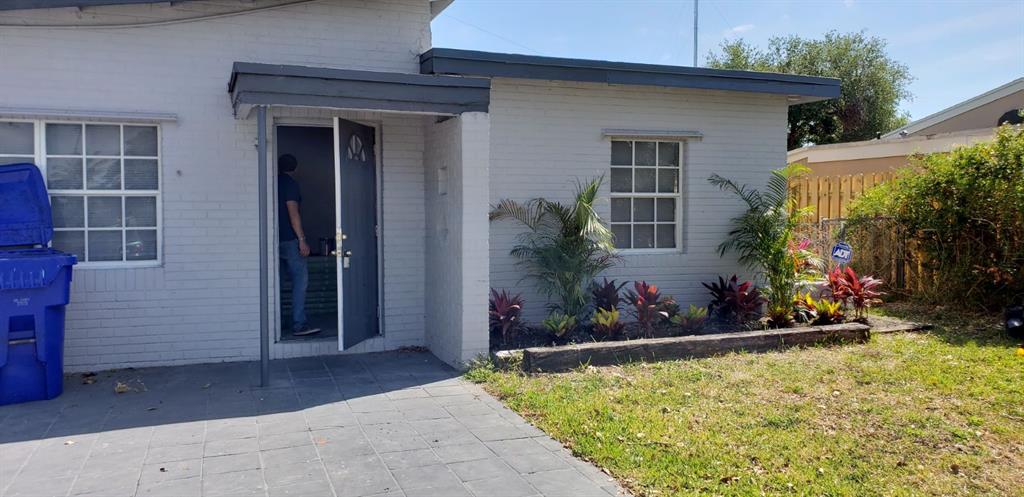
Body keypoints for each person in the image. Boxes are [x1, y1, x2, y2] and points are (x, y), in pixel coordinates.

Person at [278, 154, 320, 336]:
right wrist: (302, 239)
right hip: (290, 240)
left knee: (276, 284)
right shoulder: (290, 185)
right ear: (295, 168)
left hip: (274, 240)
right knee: (300, 282)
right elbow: (293, 213)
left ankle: (277, 323)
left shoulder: (272, 182)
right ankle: (299, 324)